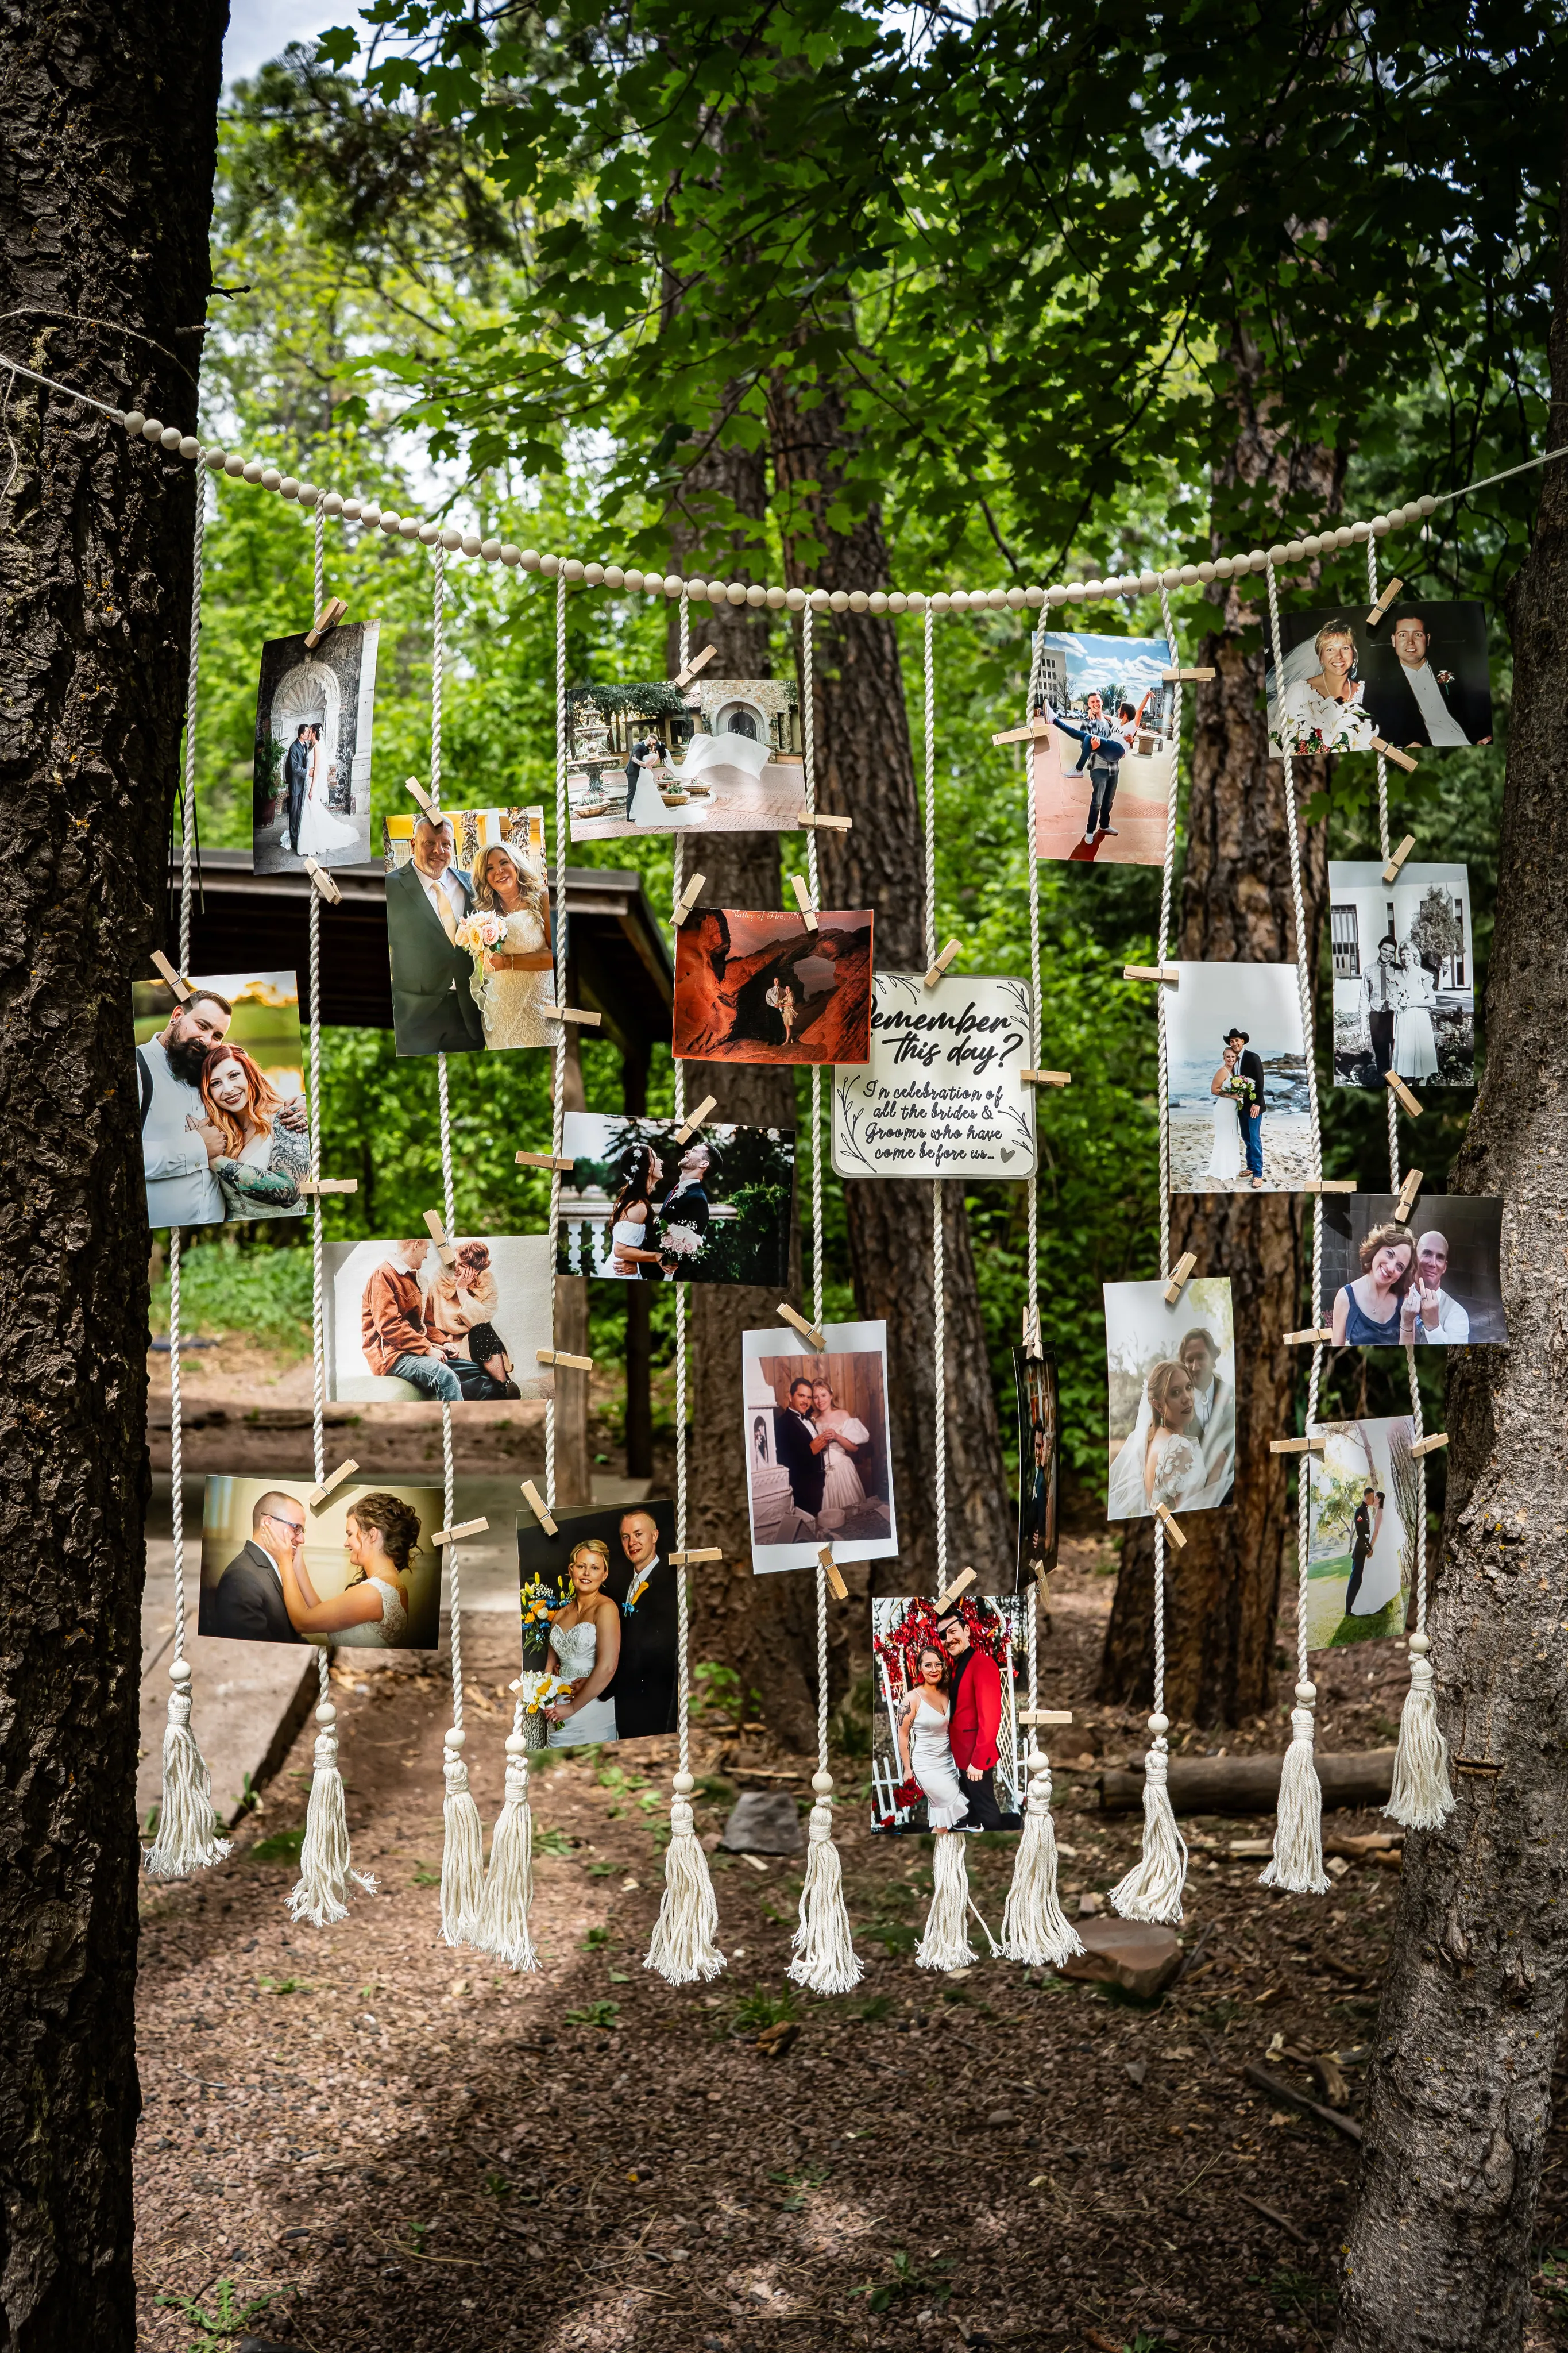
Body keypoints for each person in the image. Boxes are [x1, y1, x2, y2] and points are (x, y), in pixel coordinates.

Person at [136, 987, 307, 1229]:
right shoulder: (137, 1069)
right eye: (202, 1026)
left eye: (217, 1035)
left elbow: (256, 1096)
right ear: (177, 1015)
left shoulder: (200, 1067)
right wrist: (198, 1148)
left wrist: (303, 1102)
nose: (207, 1040)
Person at [385, 813, 485, 1056]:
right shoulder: (390, 886)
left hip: (468, 1014)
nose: (438, 850)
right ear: (413, 844)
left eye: (446, 844)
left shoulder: (471, 884)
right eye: (429, 843)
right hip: (415, 1016)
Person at [276, 1491, 424, 1648]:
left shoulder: (372, 1593)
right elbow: (319, 1612)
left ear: (372, 1535)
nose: (346, 1543)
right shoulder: (395, 1585)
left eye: (350, 1534)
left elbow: (302, 1622)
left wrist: (284, 1561)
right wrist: (297, 1561)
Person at [359, 1237, 493, 1402]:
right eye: (426, 1249)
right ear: (416, 1245)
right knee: (444, 1376)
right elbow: (389, 1326)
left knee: (473, 1371)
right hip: (392, 1356)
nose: (427, 1256)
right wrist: (428, 1348)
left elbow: (426, 1325)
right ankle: (456, 1419)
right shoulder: (383, 1274)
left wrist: (444, 1343)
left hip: (415, 1351)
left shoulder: (419, 1280)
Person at [191, 1044, 308, 1221]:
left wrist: (213, 1159)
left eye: (234, 1075)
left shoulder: (287, 1117)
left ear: (250, 1074)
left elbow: (288, 1191)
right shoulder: (219, 1131)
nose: (228, 1089)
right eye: (216, 1083)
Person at [600, 1508, 678, 1738]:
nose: (632, 1543)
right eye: (626, 1537)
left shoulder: (669, 1581)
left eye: (638, 1534)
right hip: (625, 1703)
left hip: (655, 1704)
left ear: (655, 1536)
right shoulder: (622, 1583)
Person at [939, 1612, 1020, 1831]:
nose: (948, 1639)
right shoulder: (956, 1667)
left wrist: (978, 1761)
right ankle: (972, 1822)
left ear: (966, 1630)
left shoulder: (982, 1664)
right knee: (972, 1803)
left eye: (953, 1631)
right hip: (962, 1753)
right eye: (943, 1636)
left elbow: (990, 1717)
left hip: (976, 1754)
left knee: (987, 1810)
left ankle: (998, 1840)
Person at [470, 839, 554, 1049]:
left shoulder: (543, 898)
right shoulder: (485, 915)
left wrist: (507, 962)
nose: (498, 871)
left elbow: (558, 957)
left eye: (503, 863)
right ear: (485, 878)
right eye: (489, 869)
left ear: (515, 864)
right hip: (502, 1011)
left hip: (539, 1005)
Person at [1362, 612, 1492, 748]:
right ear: (1394, 641)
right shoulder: (1379, 686)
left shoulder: (1455, 670)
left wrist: (1483, 738)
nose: (1410, 642)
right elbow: (1376, 728)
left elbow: (1478, 709)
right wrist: (1404, 746)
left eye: (1418, 635)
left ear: (1428, 639)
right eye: (1403, 635)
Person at [1106, 1360, 1210, 1520]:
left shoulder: (1151, 1437)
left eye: (1189, 1387)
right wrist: (1217, 1471)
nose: (1187, 1398)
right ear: (1158, 1405)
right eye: (1175, 1393)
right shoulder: (1178, 1448)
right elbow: (1190, 1518)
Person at [543, 1538, 623, 1745]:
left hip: (591, 1706)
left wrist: (571, 1708)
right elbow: (550, 1667)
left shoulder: (606, 1608)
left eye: (595, 1568)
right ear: (571, 1570)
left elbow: (608, 1667)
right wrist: (546, 1699)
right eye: (581, 1566)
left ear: (604, 1574)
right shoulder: (560, 1615)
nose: (587, 1573)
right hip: (557, 1709)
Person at [201, 1488, 308, 1642]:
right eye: (296, 1528)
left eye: (302, 1530)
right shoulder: (241, 1579)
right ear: (268, 1523)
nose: (302, 1539)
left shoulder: (279, 1564)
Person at [425, 1239, 521, 1397]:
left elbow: (478, 1321)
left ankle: (503, 1384)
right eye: (455, 1261)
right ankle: (501, 1387)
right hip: (448, 1343)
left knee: (482, 1329)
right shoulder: (437, 1283)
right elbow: (426, 1323)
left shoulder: (487, 1286)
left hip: (479, 1343)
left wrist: (461, 1288)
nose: (456, 1268)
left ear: (475, 1272)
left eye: (463, 1266)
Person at [895, 1644, 969, 1832]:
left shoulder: (947, 1693)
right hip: (927, 1766)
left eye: (938, 1664)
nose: (934, 1669)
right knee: (946, 1810)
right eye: (928, 1665)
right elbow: (903, 1735)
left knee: (945, 1821)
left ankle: (942, 1848)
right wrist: (907, 1769)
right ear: (919, 1668)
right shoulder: (912, 1699)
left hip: (948, 1763)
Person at [1272, 616, 1373, 753]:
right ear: (1320, 658)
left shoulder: (1366, 692)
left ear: (1354, 654)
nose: (1338, 656)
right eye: (1330, 649)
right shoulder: (1301, 692)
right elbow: (1280, 742)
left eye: (1345, 648)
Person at [1046, 692, 1128, 843]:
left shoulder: (1112, 723)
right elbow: (1083, 745)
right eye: (1092, 702)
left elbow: (1122, 740)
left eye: (1098, 701)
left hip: (1113, 767)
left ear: (1102, 702)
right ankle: (1090, 830)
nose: (1096, 704)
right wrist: (1093, 747)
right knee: (1097, 801)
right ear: (1089, 705)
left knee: (1109, 801)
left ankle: (1104, 825)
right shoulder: (1087, 721)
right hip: (1098, 766)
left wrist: (1130, 740)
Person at [1330, 1221, 1418, 1346]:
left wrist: (1407, 1323)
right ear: (1377, 1249)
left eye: (1400, 1266)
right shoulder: (1345, 1298)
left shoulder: (1405, 1301)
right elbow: (1335, 1352)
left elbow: (1409, 1354)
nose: (1391, 1268)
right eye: (1390, 1254)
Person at [1177, 1326, 1235, 1503]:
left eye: (1201, 1357)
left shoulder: (1234, 1396)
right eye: (1189, 1360)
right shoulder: (1176, 1406)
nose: (1195, 1367)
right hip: (1192, 1501)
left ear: (1214, 1359)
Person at [810, 1378, 872, 1530]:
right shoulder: (813, 1419)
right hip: (822, 1472)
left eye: (823, 1395)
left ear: (831, 1395)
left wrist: (837, 1437)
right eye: (816, 1397)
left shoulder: (843, 1414)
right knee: (827, 1521)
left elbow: (854, 1449)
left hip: (843, 1469)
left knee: (851, 1519)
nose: (820, 1401)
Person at [293, 723, 361, 860]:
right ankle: (310, 837)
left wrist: (312, 789)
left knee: (313, 810)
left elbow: (317, 770)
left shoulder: (317, 747)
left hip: (312, 784)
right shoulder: (311, 746)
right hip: (308, 782)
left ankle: (315, 840)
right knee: (310, 811)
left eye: (310, 732)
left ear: (314, 733)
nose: (308, 734)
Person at [771, 1376, 825, 1526]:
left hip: (819, 1485)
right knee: (807, 1528)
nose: (806, 1401)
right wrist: (810, 1450)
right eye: (801, 1396)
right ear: (790, 1397)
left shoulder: (808, 1419)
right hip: (802, 1490)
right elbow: (783, 1461)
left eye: (809, 1397)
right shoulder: (781, 1424)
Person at [608, 1143, 666, 1279]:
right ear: (648, 1168)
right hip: (624, 1273)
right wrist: (657, 1257)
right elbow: (620, 1250)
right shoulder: (639, 1207)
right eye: (656, 1158)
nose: (662, 1162)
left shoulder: (639, 1202)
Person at [1406, 1228, 1471, 1344]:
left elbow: (1454, 1352)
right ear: (1415, 1258)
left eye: (1440, 1257)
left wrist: (1433, 1326)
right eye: (1427, 1254)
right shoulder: (1397, 1297)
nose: (1433, 1263)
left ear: (1445, 1267)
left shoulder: (1457, 1313)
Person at [658, 1141, 713, 1276]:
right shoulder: (672, 1192)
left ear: (704, 1164)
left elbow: (682, 1254)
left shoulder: (698, 1200)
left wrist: (640, 1268)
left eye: (694, 1150)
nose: (687, 1151)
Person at [1223, 1025, 1268, 1188]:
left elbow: (1260, 1081)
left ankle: (1258, 1174)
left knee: (1255, 1139)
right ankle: (1250, 1166)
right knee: (1246, 1138)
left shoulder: (1252, 1057)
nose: (1234, 1043)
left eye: (1237, 1040)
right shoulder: (1234, 1061)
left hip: (1254, 1106)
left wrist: (1256, 1104)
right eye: (1232, 1041)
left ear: (1242, 1041)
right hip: (1241, 1106)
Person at [1198, 1043, 1246, 1186]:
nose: (1231, 1059)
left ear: (1236, 1058)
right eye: (1228, 1057)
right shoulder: (1222, 1071)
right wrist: (1232, 1095)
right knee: (1224, 1136)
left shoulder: (1234, 1072)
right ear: (1224, 1058)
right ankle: (1222, 1170)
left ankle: (1231, 1168)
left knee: (1232, 1136)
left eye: (1233, 1057)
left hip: (1232, 1109)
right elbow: (1214, 1089)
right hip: (1223, 1109)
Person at [1393, 942, 1439, 1081]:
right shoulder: (1399, 974)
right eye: (1403, 955)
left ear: (1415, 956)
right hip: (1404, 1019)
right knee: (1407, 1054)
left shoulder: (1422, 974)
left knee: (1420, 1053)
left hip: (1418, 1018)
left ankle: (1422, 1086)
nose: (1405, 958)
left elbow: (1432, 1000)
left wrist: (1412, 1003)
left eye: (1409, 954)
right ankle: (1410, 1085)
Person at [1359, 937, 1401, 1078]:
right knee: (1380, 1051)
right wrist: (1363, 1022)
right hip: (1376, 1016)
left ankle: (1398, 1079)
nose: (1387, 954)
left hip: (1394, 1016)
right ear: (1379, 948)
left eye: (1391, 952)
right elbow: (1364, 996)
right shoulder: (1368, 970)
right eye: (1385, 949)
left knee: (1397, 1050)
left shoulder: (1399, 970)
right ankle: (1384, 1080)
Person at [1345, 1485, 1384, 1615]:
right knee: (1355, 1579)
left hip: (1364, 1548)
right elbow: (1362, 1534)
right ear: (1367, 1497)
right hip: (1360, 1550)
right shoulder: (1360, 1511)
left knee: (1360, 1579)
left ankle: (1357, 1606)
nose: (1373, 1500)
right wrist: (1369, 1549)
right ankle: (1348, 1609)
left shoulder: (1366, 1511)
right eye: (1372, 1498)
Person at [282, 723, 312, 854]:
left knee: (300, 811)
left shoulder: (305, 745)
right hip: (295, 785)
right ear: (301, 735)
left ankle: (298, 834)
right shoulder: (294, 747)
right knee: (294, 812)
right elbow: (294, 767)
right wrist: (307, 772)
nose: (308, 734)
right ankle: (294, 840)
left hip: (303, 784)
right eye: (307, 732)